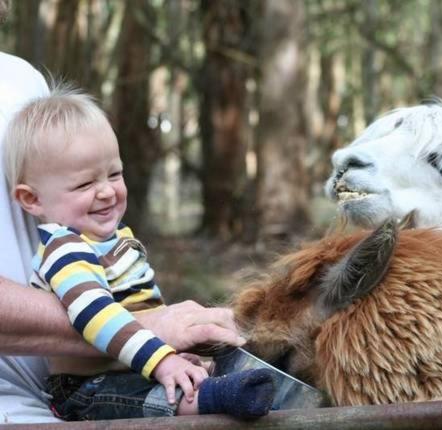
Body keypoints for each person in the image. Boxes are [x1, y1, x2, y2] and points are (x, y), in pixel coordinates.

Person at [1, 84, 276, 422]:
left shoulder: (115, 240)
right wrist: (160, 359)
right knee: (161, 397)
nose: (106, 191)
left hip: (130, 365)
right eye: (84, 185)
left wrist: (174, 353)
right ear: (32, 199)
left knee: (181, 376)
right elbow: (96, 316)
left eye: (114, 174)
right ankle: (217, 399)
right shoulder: (65, 248)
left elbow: (147, 306)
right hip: (83, 388)